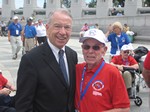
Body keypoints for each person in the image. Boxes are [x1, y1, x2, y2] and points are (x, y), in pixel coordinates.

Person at [15, 8, 78, 112]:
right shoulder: (30, 60)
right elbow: (23, 105)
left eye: (67, 27)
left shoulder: (72, 55)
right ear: (47, 28)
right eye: (57, 26)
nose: (62, 32)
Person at [75, 29, 130, 112]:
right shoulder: (77, 69)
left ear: (104, 50)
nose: (90, 51)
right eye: (86, 47)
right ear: (82, 49)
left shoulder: (112, 73)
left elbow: (124, 109)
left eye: (96, 47)